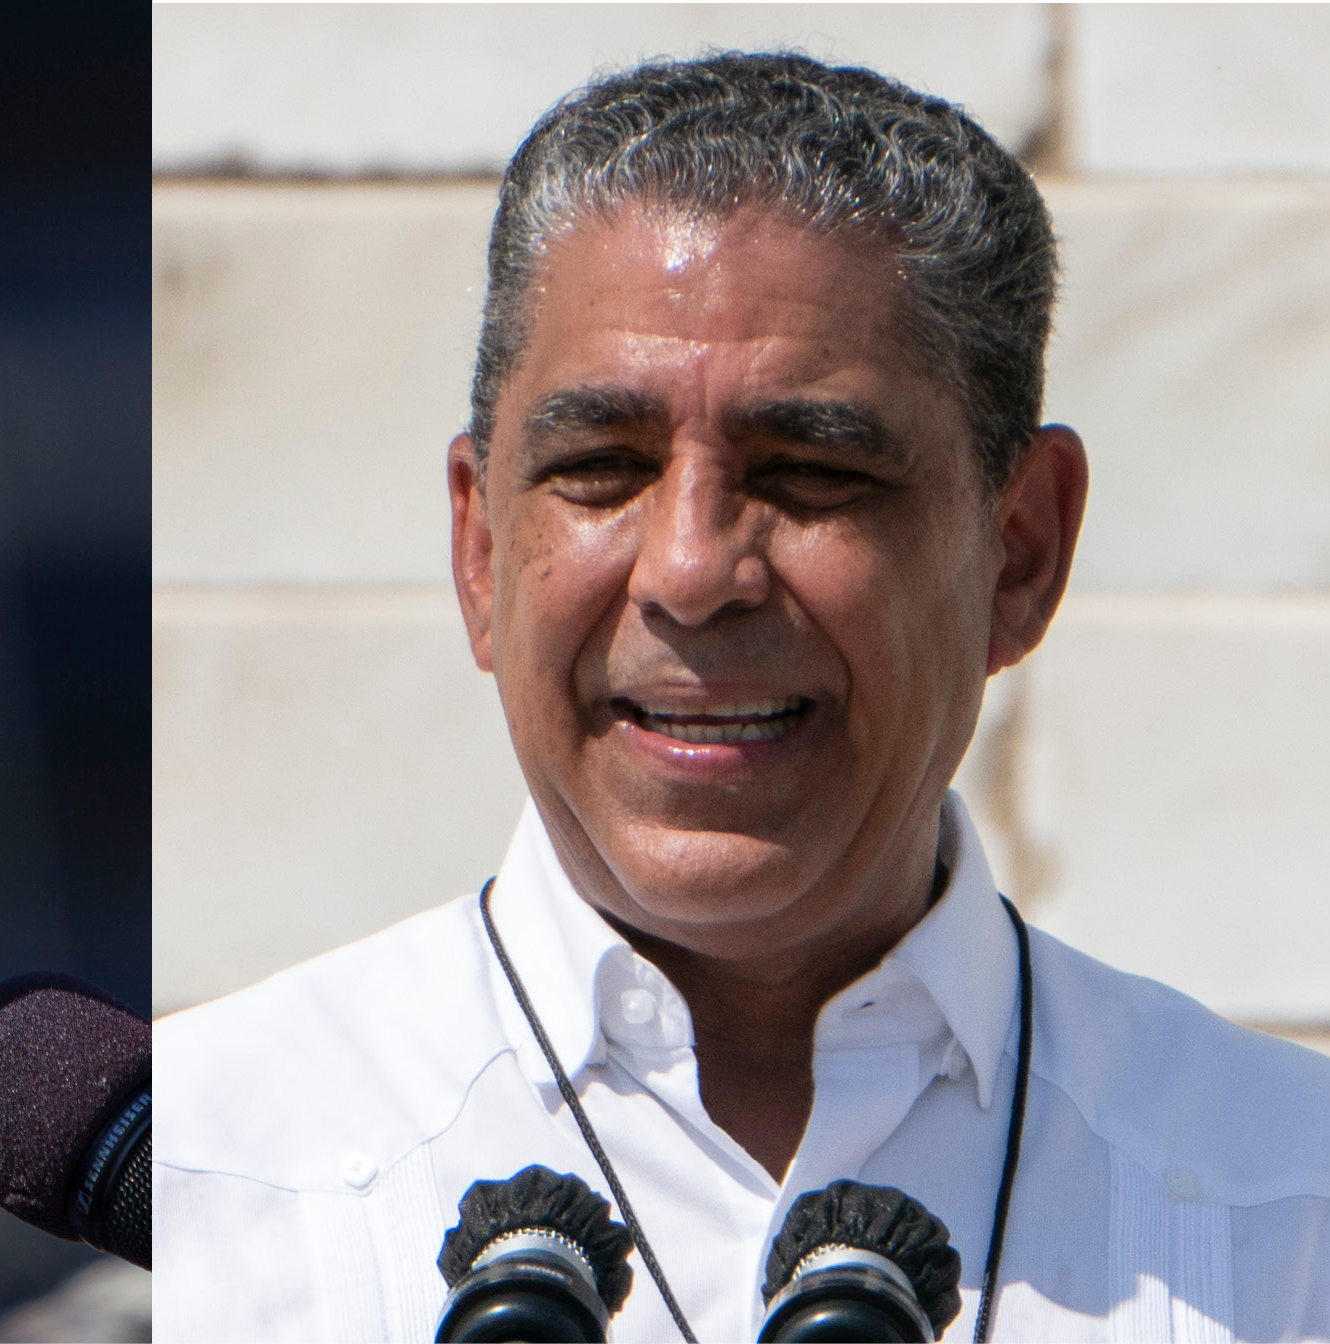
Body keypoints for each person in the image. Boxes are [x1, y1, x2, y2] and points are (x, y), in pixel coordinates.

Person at [154, 52, 1330, 1341]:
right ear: (480, 549)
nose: (692, 571)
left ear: (1023, 550)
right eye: (601, 467)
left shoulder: (1288, 1214)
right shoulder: (204, 1192)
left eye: (814, 472)